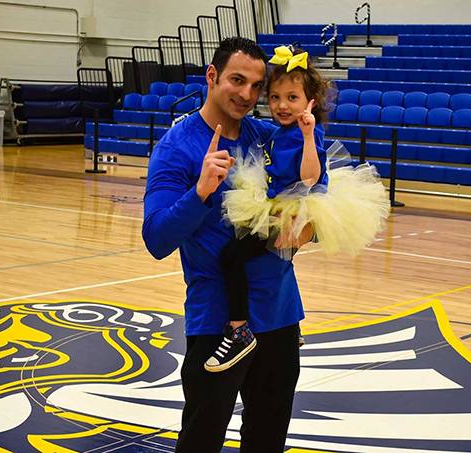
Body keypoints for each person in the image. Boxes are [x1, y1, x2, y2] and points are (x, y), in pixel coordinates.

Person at [142, 37, 311, 453]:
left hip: (280, 315)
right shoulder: (176, 147)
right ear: (212, 76)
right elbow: (157, 238)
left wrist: (308, 231)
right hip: (217, 323)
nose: (247, 95)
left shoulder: (270, 137)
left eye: (256, 86)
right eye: (237, 80)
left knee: (268, 439)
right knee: (201, 440)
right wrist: (199, 192)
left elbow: (315, 199)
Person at [206, 45, 390, 372]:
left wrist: (307, 137)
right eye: (275, 97)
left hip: (293, 206)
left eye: (292, 98)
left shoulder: (307, 132)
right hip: (276, 200)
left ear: (310, 102)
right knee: (272, 263)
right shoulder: (279, 132)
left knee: (232, 256)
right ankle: (292, 328)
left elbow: (310, 176)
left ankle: (239, 329)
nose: (282, 105)